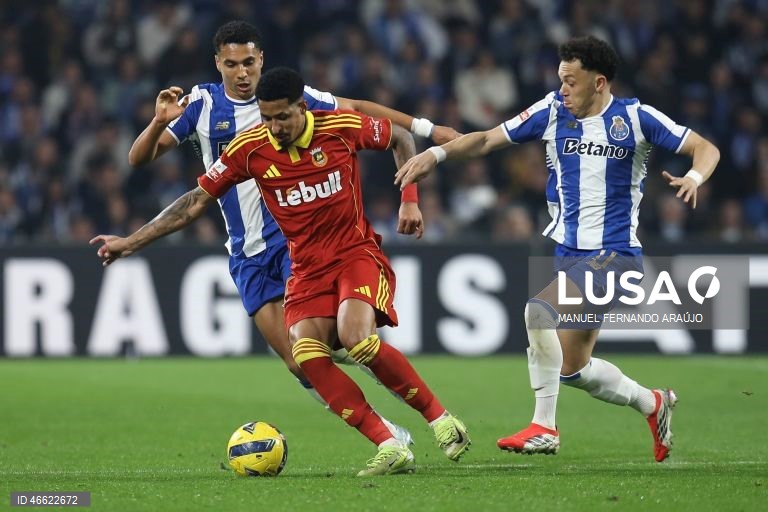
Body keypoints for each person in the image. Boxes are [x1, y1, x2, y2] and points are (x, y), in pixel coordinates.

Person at [92, 67, 471, 476]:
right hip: (307, 270)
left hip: (354, 254)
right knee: (304, 355)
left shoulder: (339, 126)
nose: (274, 127)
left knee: (356, 339)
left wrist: (409, 200)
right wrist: (131, 241)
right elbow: (195, 202)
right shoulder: (250, 148)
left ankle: (442, 421)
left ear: (301, 108)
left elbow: (399, 136)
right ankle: (389, 444)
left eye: (282, 118)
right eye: (267, 118)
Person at [395, 35, 720, 462]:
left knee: (537, 311)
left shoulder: (636, 118)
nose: (562, 88)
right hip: (569, 253)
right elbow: (487, 140)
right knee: (572, 368)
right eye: (560, 79)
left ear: (599, 82)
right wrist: (434, 155)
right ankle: (652, 403)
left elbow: (705, 148)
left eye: (571, 81)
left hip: (616, 255)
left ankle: (544, 428)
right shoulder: (550, 111)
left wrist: (694, 178)